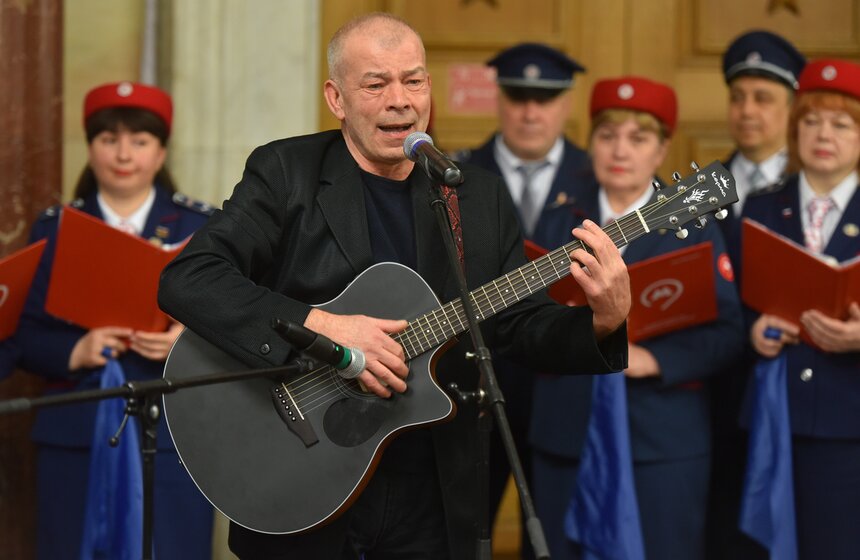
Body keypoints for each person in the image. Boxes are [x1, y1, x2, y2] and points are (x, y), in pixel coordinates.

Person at [158, 13, 631, 560]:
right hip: (302, 470)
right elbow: (189, 279)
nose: (401, 100)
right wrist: (324, 328)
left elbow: (512, 325)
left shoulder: (476, 196)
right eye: (376, 84)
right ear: (337, 99)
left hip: (431, 485)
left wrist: (604, 321)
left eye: (413, 80)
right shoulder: (286, 172)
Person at [529, 76, 744, 560]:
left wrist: (657, 359)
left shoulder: (692, 224)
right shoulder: (559, 218)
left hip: (661, 441)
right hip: (566, 431)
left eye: (638, 137)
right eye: (607, 135)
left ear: (663, 148)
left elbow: (730, 333)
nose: (619, 150)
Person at [15, 81, 214, 559]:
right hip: (76, 434)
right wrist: (73, 350)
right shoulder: (54, 229)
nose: (123, 154)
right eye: (109, 139)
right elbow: (18, 336)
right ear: (90, 147)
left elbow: (240, 327)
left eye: (140, 141)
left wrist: (182, 343)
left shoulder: (200, 228)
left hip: (173, 436)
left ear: (161, 150)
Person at [453, 43, 590, 546]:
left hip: (562, 392)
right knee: (464, 539)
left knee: (551, 540)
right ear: (499, 99)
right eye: (518, 96)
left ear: (567, 104)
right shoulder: (455, 174)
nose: (531, 111)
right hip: (473, 386)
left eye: (546, 98)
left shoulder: (597, 176)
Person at [741, 58, 860, 560]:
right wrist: (755, 330)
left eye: (841, 123)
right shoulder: (763, 205)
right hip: (773, 419)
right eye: (810, 121)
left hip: (849, 424)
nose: (823, 134)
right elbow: (732, 301)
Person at [707, 30, 806, 559]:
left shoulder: (814, 182)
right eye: (738, 97)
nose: (747, 111)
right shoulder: (700, 188)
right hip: (716, 397)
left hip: (792, 393)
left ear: (792, 108)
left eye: (763, 99)